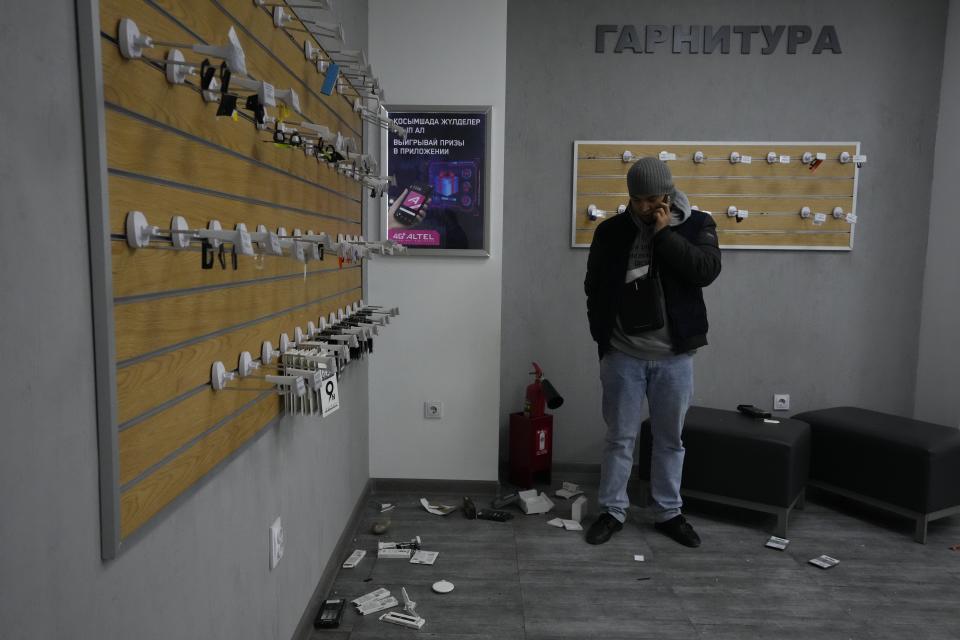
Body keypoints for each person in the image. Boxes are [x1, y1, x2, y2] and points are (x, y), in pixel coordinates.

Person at [583, 157, 721, 547]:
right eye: (639, 201)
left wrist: (663, 235)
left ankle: (668, 513)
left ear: (667, 193)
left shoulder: (697, 224)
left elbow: (705, 271)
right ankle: (612, 510)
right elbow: (594, 287)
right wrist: (603, 341)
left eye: (653, 199)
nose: (646, 207)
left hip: (675, 357)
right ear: (629, 197)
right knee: (620, 438)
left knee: (669, 439)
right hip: (623, 355)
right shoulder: (611, 231)